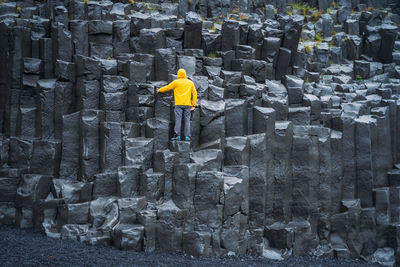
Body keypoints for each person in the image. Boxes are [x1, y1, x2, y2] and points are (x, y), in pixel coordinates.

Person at [157, 68, 197, 141]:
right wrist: (193, 105)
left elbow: (167, 87)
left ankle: (177, 135)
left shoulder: (176, 82)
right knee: (187, 120)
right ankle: (187, 136)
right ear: (185, 74)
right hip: (187, 104)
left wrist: (159, 90)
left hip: (178, 104)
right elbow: (194, 94)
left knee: (178, 119)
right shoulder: (190, 82)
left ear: (178, 74)